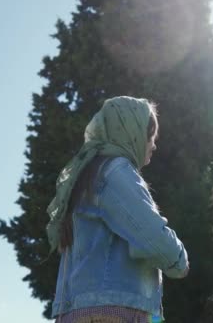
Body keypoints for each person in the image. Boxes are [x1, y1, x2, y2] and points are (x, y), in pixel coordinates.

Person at [45, 96, 189, 323]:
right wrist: (180, 257)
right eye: (150, 136)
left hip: (78, 311)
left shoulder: (85, 176)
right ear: (131, 131)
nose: (154, 144)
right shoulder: (116, 172)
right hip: (111, 313)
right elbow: (158, 243)